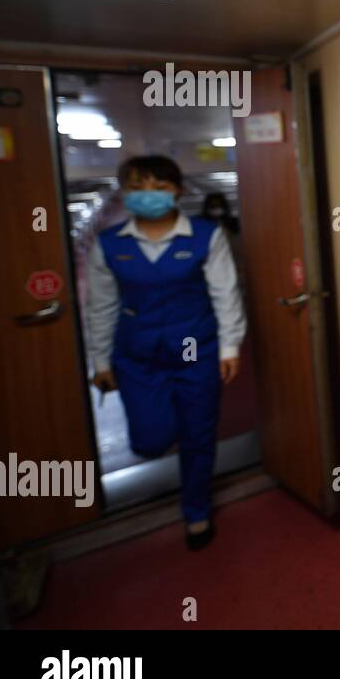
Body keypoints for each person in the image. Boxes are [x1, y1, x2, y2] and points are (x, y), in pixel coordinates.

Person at [86, 155, 246, 550]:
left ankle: (196, 510)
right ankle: (173, 433)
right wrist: (101, 360)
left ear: (176, 190)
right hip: (138, 355)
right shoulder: (110, 244)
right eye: (138, 187)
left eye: (159, 187)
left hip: (194, 348)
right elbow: (101, 306)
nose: (149, 196)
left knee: (198, 433)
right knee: (150, 439)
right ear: (125, 193)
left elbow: (225, 294)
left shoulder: (205, 235)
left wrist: (229, 346)